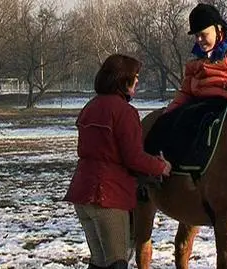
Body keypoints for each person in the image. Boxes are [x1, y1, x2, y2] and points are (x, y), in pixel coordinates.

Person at [63, 54, 172, 269]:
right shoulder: (124, 112)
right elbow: (133, 157)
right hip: (106, 196)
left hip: (82, 194)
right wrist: (161, 166)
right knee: (117, 262)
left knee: (99, 262)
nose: (138, 82)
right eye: (135, 77)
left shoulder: (90, 107)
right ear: (123, 81)